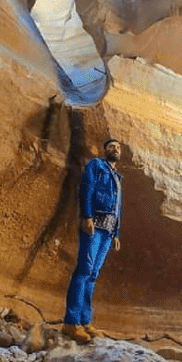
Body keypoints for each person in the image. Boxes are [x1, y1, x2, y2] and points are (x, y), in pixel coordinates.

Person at [62, 137, 123, 343]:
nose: (115, 149)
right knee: (84, 271)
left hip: (107, 232)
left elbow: (117, 207)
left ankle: (85, 321)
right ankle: (71, 323)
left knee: (93, 274)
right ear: (104, 150)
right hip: (94, 225)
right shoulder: (96, 165)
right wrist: (87, 216)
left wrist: (116, 233)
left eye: (118, 147)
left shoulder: (117, 176)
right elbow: (87, 189)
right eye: (111, 146)